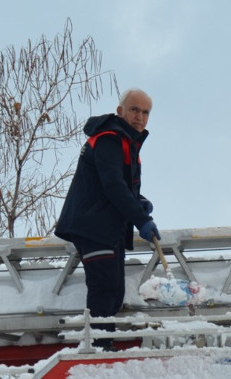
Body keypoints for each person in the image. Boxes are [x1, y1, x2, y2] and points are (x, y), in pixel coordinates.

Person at [55, 88, 158, 335]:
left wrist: (137, 201)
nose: (140, 117)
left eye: (146, 112)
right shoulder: (110, 139)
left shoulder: (126, 142)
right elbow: (112, 185)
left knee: (114, 293)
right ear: (120, 111)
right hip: (95, 226)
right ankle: (97, 350)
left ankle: (103, 345)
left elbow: (114, 185)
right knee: (106, 290)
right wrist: (140, 218)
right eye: (134, 109)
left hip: (106, 227)